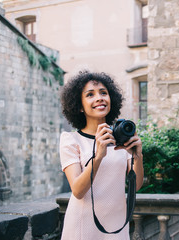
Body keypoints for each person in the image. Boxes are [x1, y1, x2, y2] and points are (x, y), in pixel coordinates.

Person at [59, 70, 144, 240]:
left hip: (117, 225)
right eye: (90, 95)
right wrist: (98, 156)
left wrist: (138, 156)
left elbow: (136, 186)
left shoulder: (121, 138)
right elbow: (77, 191)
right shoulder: (70, 140)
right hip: (83, 225)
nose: (99, 98)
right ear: (79, 106)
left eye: (103, 93)